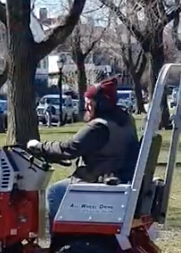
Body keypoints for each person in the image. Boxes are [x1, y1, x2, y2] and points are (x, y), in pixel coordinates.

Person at [26, 77, 139, 230]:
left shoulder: (99, 127)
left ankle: (59, 244)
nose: (86, 106)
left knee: (54, 192)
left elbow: (69, 148)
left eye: (89, 102)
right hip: (116, 176)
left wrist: (38, 146)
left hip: (98, 180)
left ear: (100, 103)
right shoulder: (126, 120)